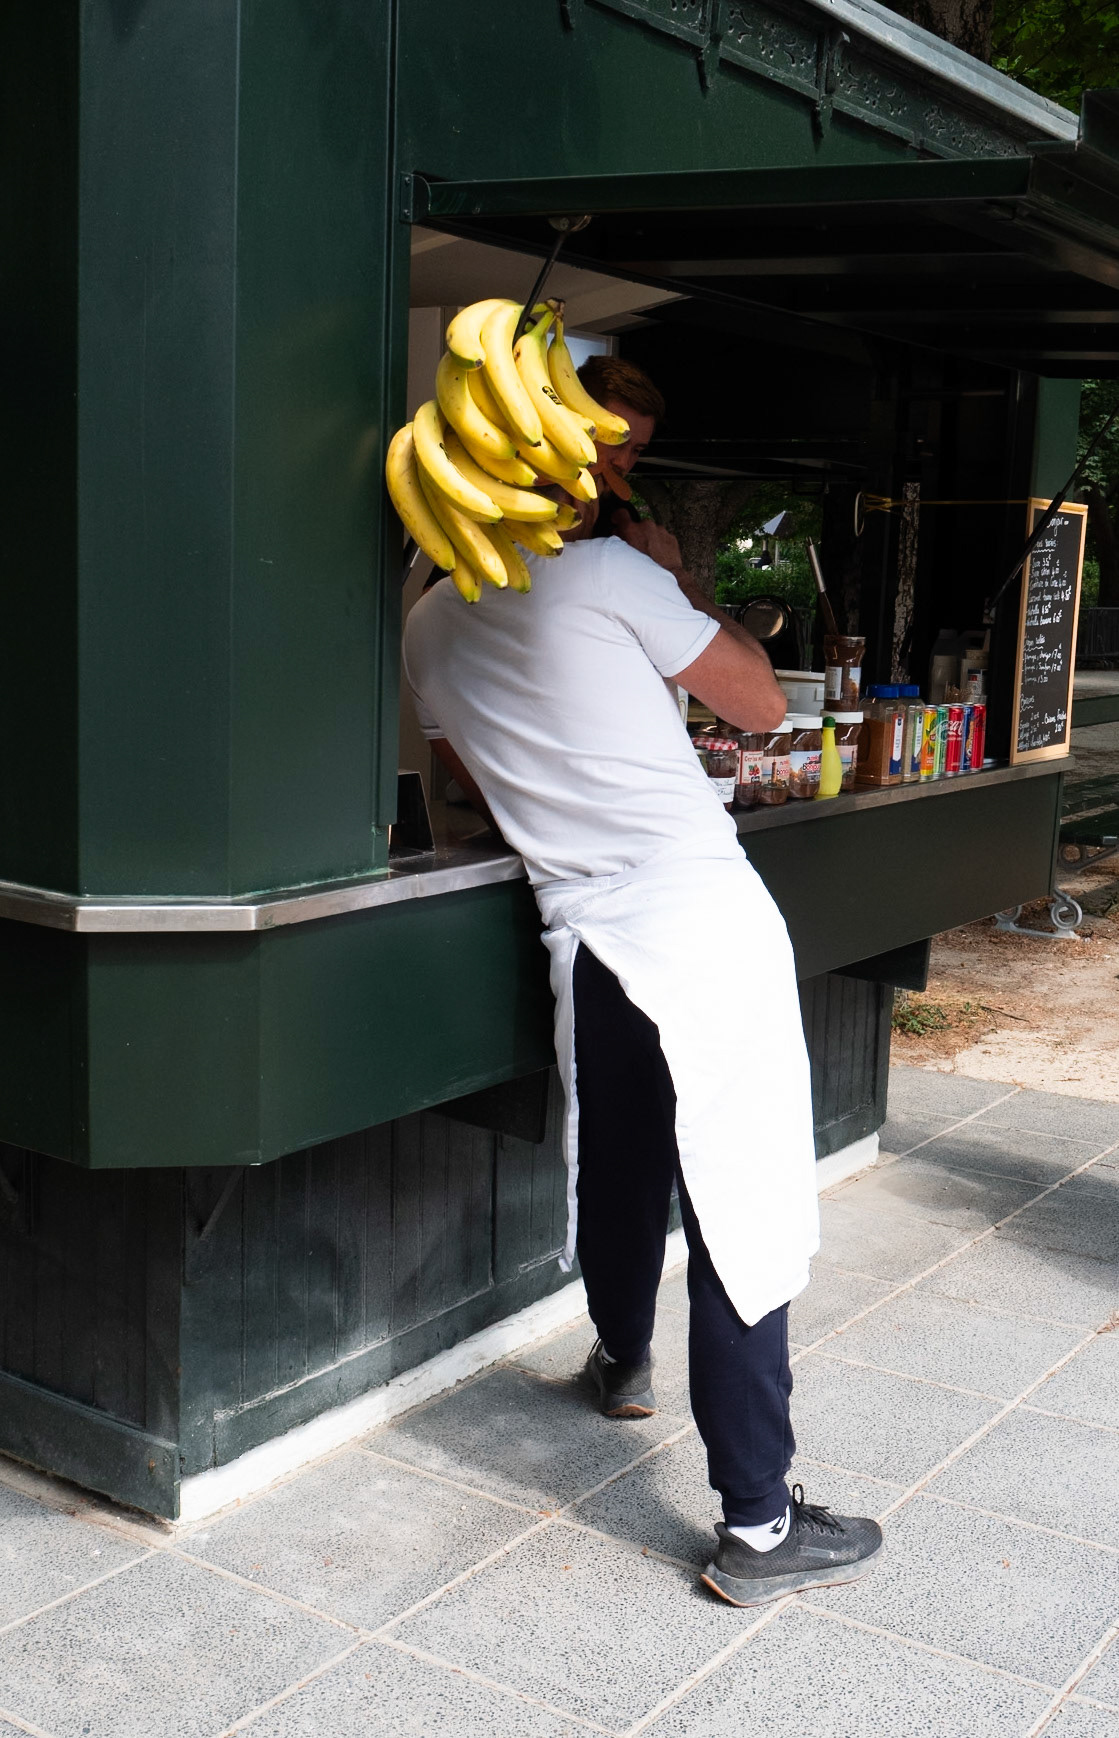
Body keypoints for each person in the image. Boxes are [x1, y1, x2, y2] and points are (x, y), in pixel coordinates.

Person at [402, 354, 882, 1606]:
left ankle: (620, 1361)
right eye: (596, 452)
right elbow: (761, 698)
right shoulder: (611, 573)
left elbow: (466, 770)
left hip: (585, 940)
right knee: (742, 1207)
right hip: (698, 927)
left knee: (619, 1164)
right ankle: (761, 1529)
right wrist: (666, 574)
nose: (612, 470)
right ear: (551, 460)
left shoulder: (429, 619)